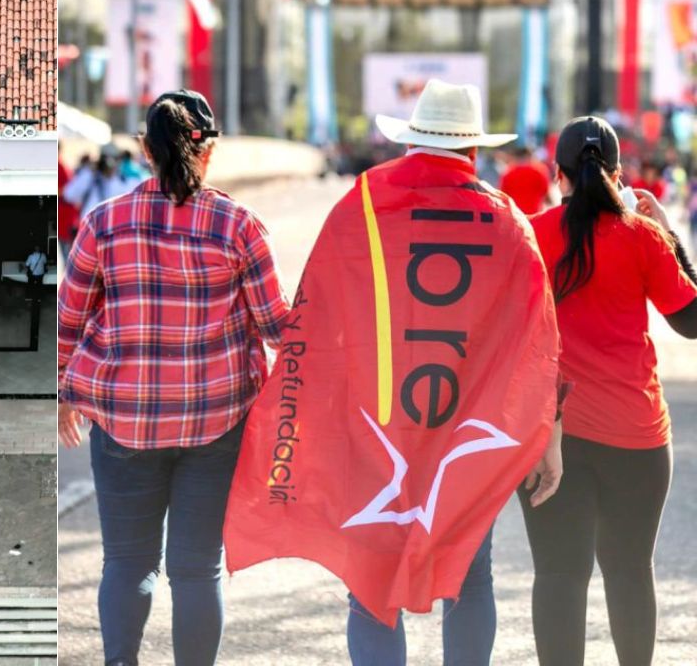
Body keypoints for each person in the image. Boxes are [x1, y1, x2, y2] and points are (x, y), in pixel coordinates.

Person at [57, 90, 290, 666]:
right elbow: (277, 327)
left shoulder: (103, 223)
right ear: (208, 151)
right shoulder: (239, 225)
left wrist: (66, 393)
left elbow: (69, 318)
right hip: (215, 426)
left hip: (123, 423)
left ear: (145, 150)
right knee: (196, 567)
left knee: (128, 562)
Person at [343, 79, 563, 665]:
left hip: (380, 422)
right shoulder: (507, 221)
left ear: (411, 144)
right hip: (469, 432)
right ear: (473, 152)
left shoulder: (364, 204)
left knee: (371, 583)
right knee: (469, 575)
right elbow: (537, 338)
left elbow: (326, 317)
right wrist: (545, 434)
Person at [521, 116, 697, 666]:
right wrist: (668, 232)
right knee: (628, 572)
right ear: (621, 175)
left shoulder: (533, 234)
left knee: (558, 575)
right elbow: (692, 322)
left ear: (558, 174)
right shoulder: (643, 236)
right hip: (638, 438)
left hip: (552, 434)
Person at [63, 149, 132, 220]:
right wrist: (88, 172)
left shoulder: (122, 182)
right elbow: (69, 195)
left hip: (110, 226)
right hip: (90, 226)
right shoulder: (90, 178)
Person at [499, 144, 553, 215]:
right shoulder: (540, 170)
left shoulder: (508, 172)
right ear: (530, 156)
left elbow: (502, 197)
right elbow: (546, 195)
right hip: (535, 216)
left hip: (516, 217)